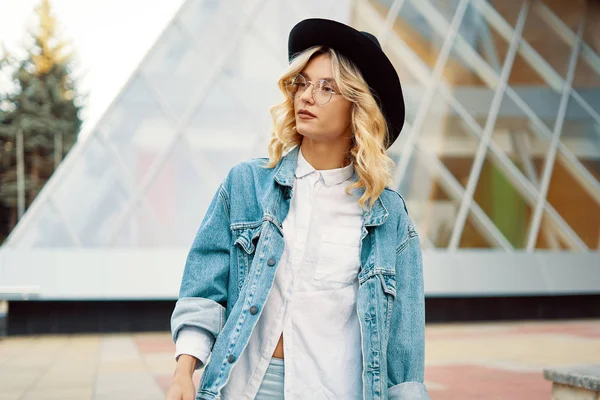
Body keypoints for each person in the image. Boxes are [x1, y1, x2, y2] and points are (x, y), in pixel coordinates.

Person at [166, 18, 429, 400]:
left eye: (327, 88)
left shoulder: (388, 217)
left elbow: (404, 349)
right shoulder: (246, 186)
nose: (306, 96)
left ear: (358, 107)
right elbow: (203, 291)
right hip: (243, 387)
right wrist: (182, 373)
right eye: (302, 83)